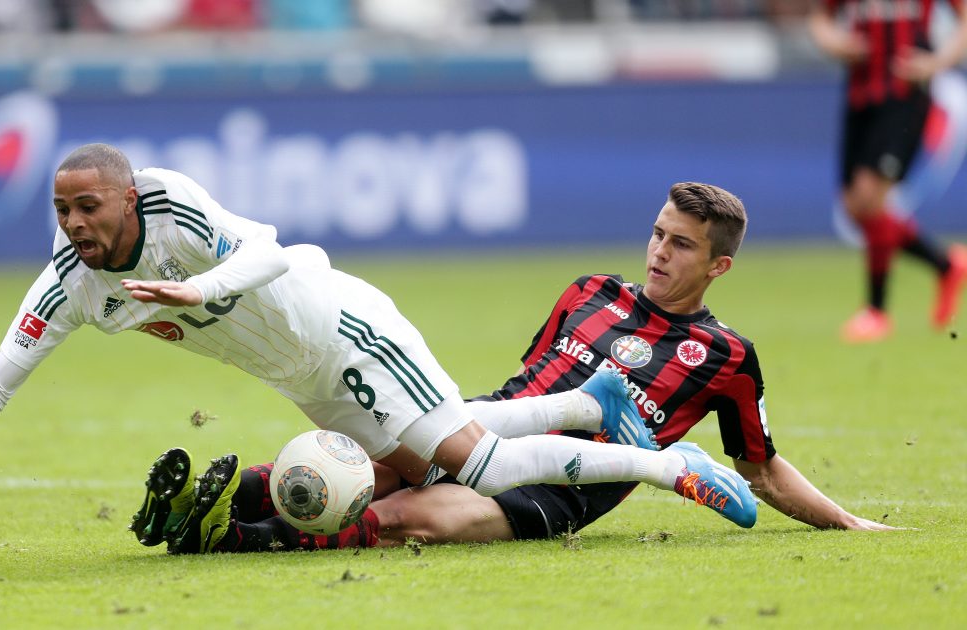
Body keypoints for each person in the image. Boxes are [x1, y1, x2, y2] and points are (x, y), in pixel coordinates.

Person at [0, 144, 757, 547]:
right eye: (61, 210)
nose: (74, 225)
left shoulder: (172, 204)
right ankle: (587, 403)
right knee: (427, 458)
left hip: (343, 328)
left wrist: (198, 290)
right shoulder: (72, 283)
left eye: (89, 207)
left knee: (475, 469)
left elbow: (271, 252)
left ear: (126, 197)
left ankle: (664, 466)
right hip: (303, 378)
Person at [135, 182, 895, 556]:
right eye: (659, 234)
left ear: (718, 265)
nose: (660, 252)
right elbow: (526, 383)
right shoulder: (589, 293)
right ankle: (212, 499)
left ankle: (231, 540)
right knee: (365, 465)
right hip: (486, 429)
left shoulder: (726, 357)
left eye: (682, 245)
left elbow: (760, 468)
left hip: (562, 491)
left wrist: (846, 522)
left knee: (414, 518)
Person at [809, 0, 967, 343]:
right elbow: (821, 19)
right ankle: (946, 265)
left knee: (870, 197)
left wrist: (937, 63)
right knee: (856, 209)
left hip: (904, 96)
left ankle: (876, 311)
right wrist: (836, 43)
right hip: (859, 95)